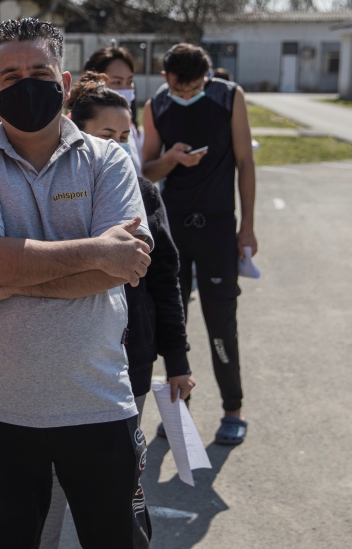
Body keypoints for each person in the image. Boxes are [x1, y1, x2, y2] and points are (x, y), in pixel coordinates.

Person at [0, 18, 154, 547]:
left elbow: (126, 267)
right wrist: (96, 252)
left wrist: (12, 281)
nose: (26, 83)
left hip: (100, 403)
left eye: (39, 70)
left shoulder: (109, 160)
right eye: (10, 75)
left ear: (63, 83)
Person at [38, 72, 195, 549]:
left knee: (116, 491)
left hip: (129, 365)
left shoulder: (144, 195)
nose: (119, 148)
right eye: (107, 136)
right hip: (54, 364)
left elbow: (165, 279)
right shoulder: (46, 194)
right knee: (49, 495)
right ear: (72, 129)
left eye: (126, 137)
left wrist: (180, 361)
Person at [141, 43, 257, 446]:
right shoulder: (157, 105)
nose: (187, 95)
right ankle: (179, 412)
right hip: (172, 229)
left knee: (221, 321)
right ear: (166, 79)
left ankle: (233, 409)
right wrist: (172, 159)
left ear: (207, 76)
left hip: (219, 226)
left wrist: (249, 227)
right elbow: (147, 171)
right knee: (173, 323)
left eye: (194, 88)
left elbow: (246, 163)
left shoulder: (229, 97)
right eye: (180, 88)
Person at [83, 46, 143, 175]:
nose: (125, 88)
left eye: (130, 81)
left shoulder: (131, 127)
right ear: (95, 83)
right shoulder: (76, 127)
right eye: (117, 82)